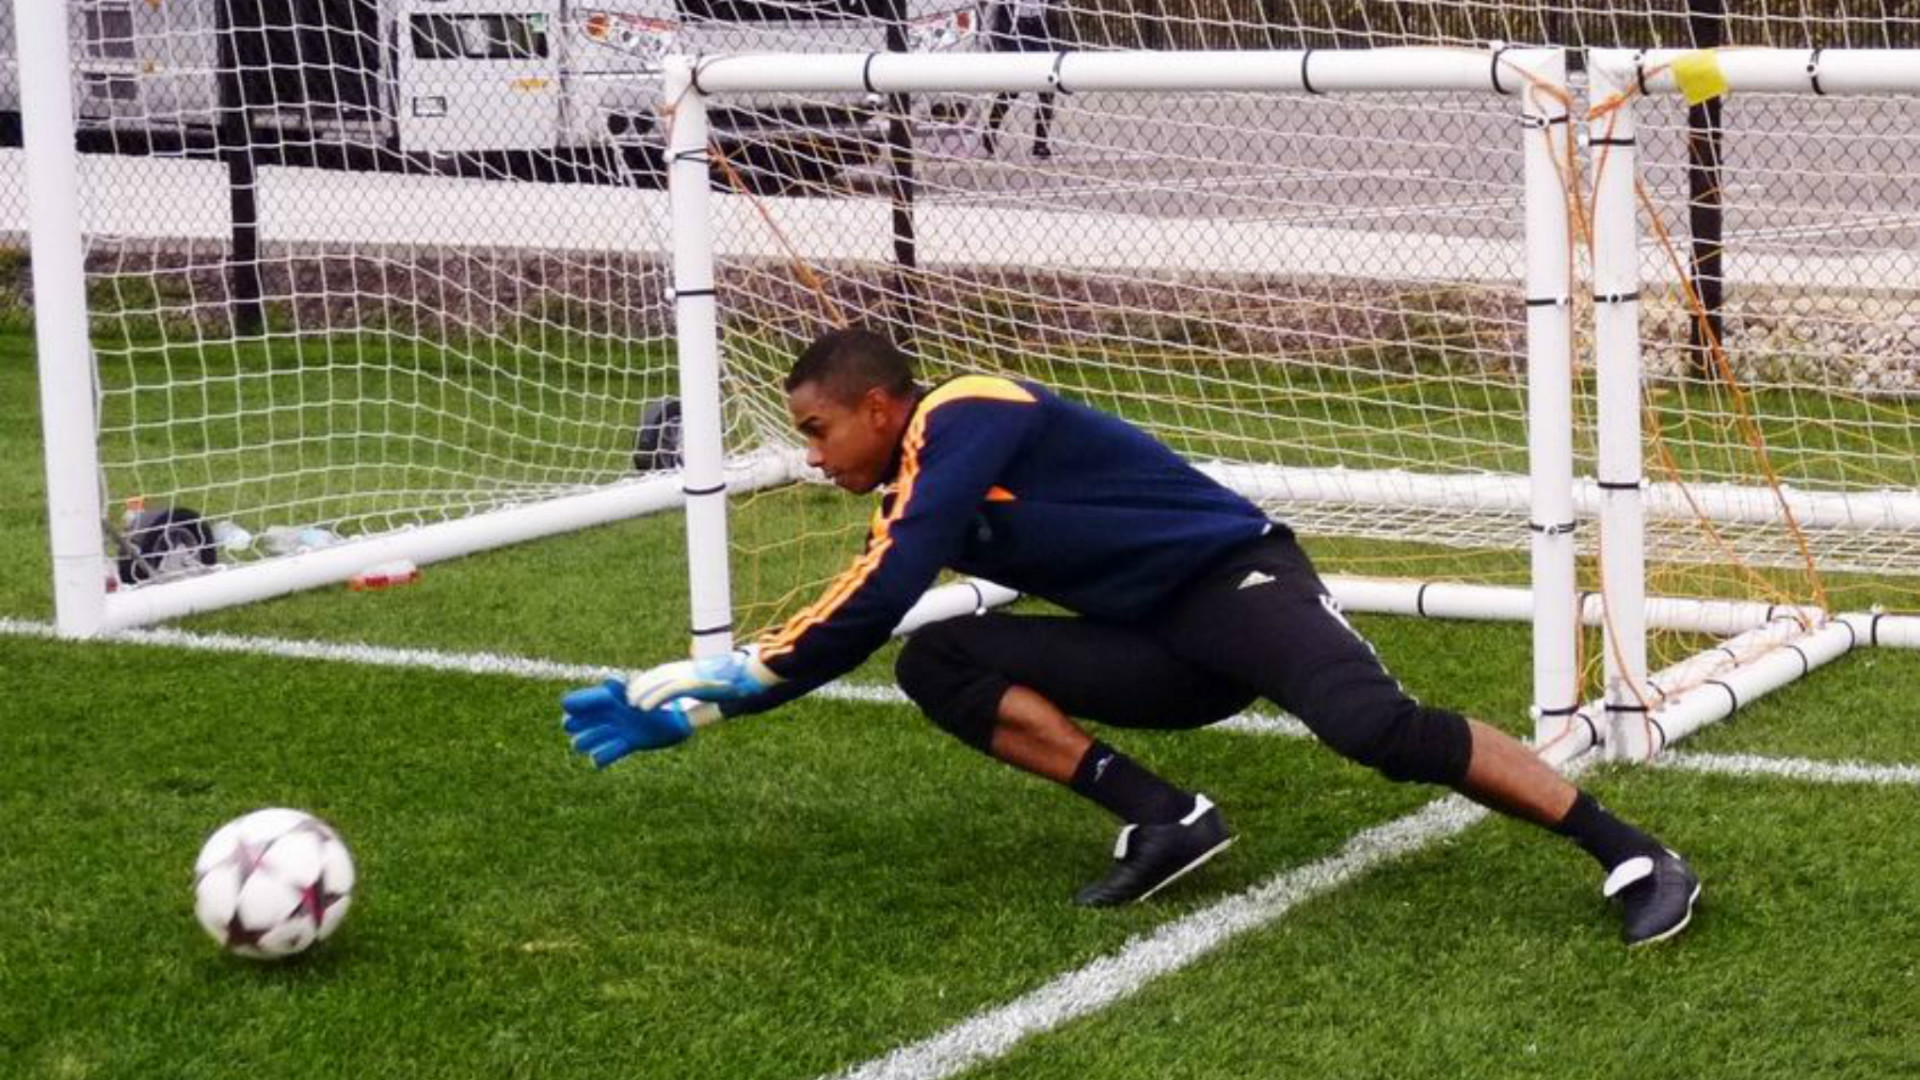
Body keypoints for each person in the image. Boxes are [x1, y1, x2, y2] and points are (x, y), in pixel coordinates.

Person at [561, 327, 1701, 945]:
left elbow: (892, 574)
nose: (811, 455)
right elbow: (877, 592)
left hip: (1237, 580)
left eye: (817, 430)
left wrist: (742, 679)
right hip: (1159, 642)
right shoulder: (914, 488)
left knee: (1370, 727)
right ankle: (1167, 818)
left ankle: (1634, 850)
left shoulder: (967, 410)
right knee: (940, 660)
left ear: (877, 405)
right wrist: (726, 694)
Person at [979, 0, 1058, 159]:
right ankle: (990, 129)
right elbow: (992, 7)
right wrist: (986, 35)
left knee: (1047, 87)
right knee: (1013, 88)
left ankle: (1041, 143)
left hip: (1039, 27)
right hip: (1015, 30)